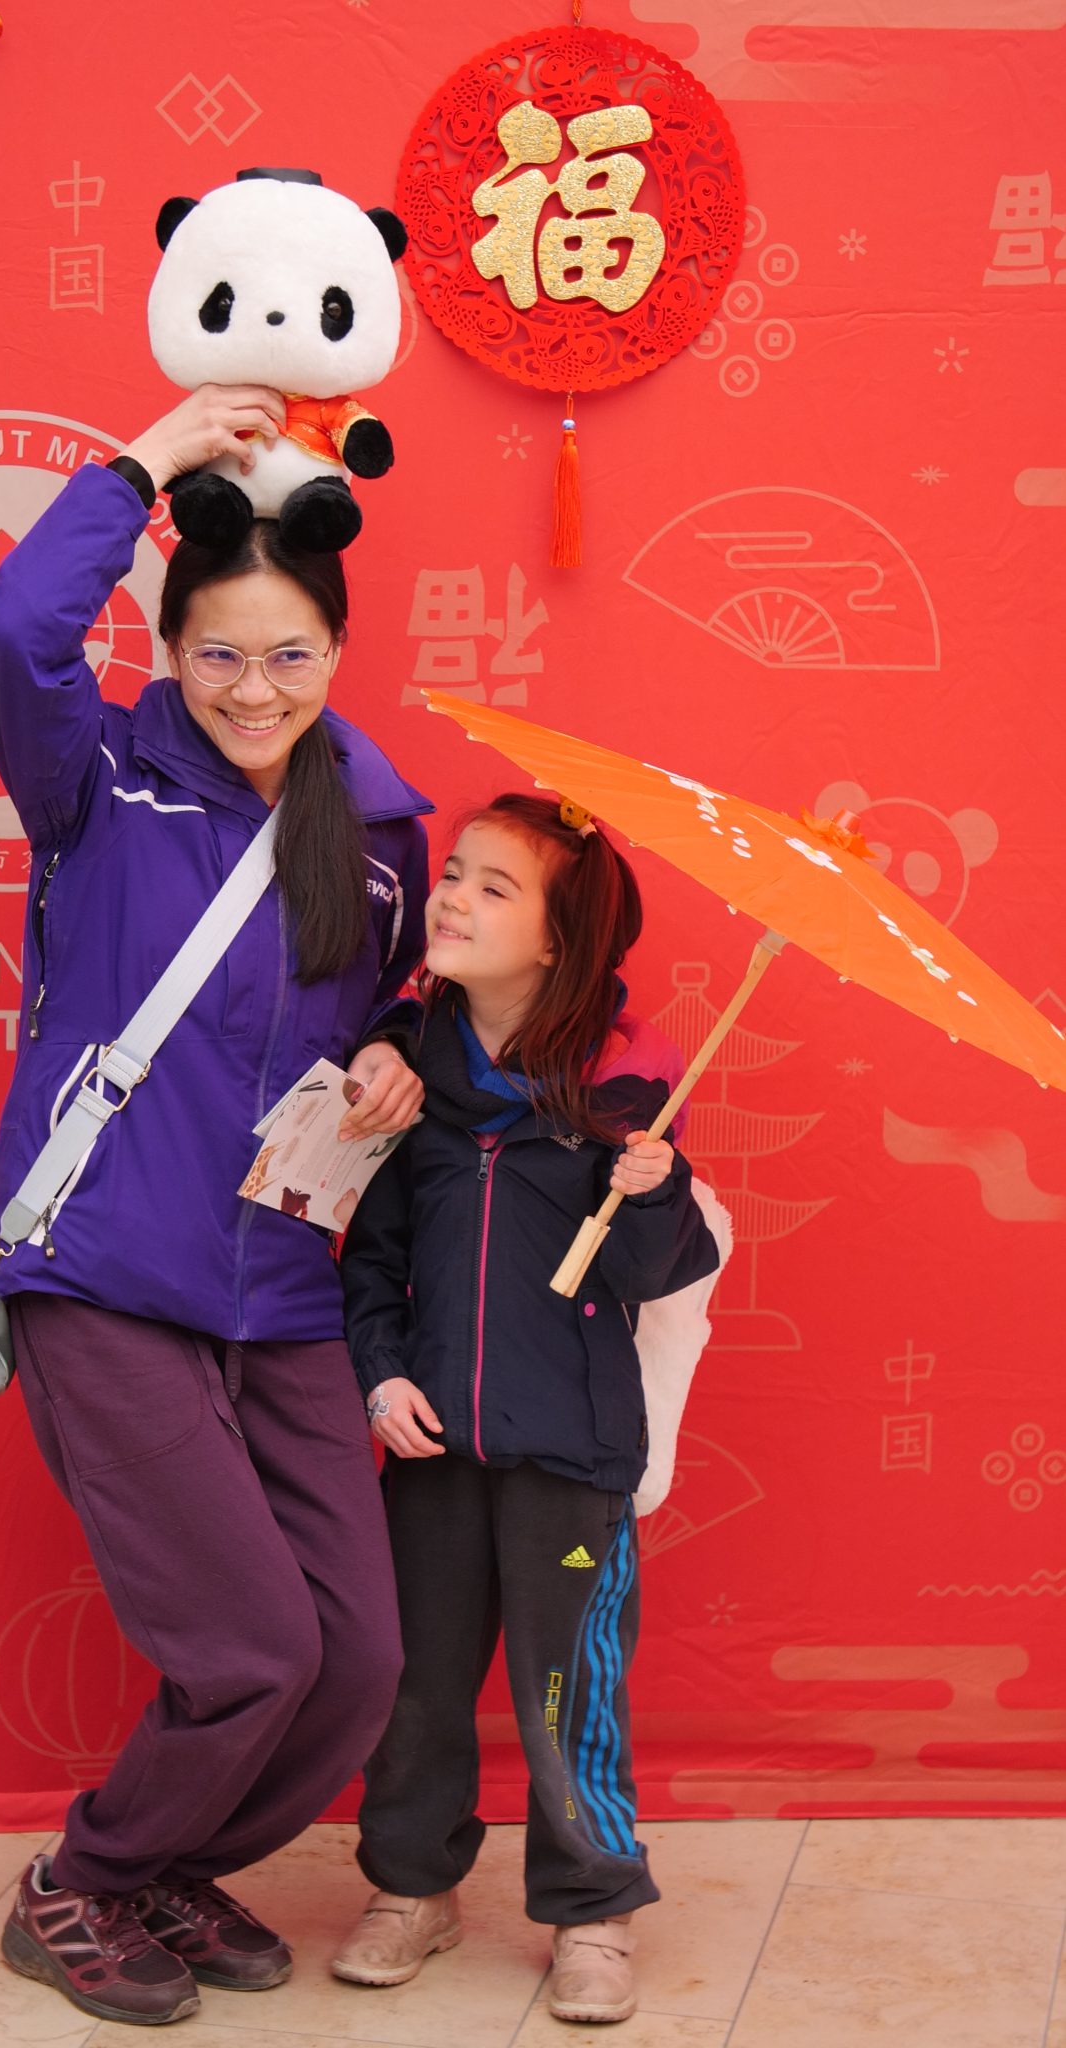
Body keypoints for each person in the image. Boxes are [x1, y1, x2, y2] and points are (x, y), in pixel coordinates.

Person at [0, 385, 431, 2029]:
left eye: (290, 654)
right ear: (168, 652)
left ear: (337, 653)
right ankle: (80, 1879)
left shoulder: (381, 830)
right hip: (107, 1272)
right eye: (218, 653)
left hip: (285, 1287)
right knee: (248, 1647)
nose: (254, 687)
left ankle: (168, 1862)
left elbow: (388, 1000)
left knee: (353, 1658)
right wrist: (149, 463)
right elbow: (13, 626)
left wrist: (396, 1049)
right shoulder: (96, 775)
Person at [332, 792, 721, 2026]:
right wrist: (381, 1374)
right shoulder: (411, 1081)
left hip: (572, 1456)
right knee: (417, 1683)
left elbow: (649, 1275)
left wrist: (654, 1189)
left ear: (557, 940)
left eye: (493, 887)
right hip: (432, 1447)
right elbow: (370, 1263)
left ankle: (592, 1907)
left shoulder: (624, 1091)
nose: (450, 897)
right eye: (453, 872)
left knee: (567, 1691)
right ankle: (411, 1887)